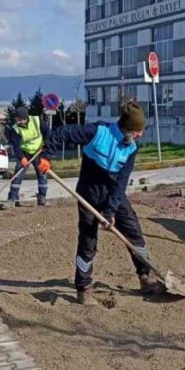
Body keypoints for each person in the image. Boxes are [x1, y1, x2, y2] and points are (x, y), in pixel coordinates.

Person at [40, 102, 160, 306]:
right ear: (126, 128)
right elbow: (61, 133)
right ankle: (83, 288)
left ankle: (145, 276)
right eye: (137, 131)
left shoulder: (131, 147)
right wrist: (46, 156)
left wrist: (111, 211)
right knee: (88, 241)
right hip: (88, 192)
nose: (140, 135)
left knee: (135, 234)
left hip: (114, 193)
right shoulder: (97, 132)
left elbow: (121, 182)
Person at [5, 106, 50, 206]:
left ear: (25, 118)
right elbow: (16, 146)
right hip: (24, 152)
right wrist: (22, 158)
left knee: (42, 174)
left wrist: (45, 145)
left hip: (38, 151)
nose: (18, 122)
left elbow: (47, 133)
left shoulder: (37, 121)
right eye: (17, 119)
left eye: (20, 120)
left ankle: (42, 197)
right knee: (17, 176)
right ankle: (12, 198)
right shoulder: (15, 129)